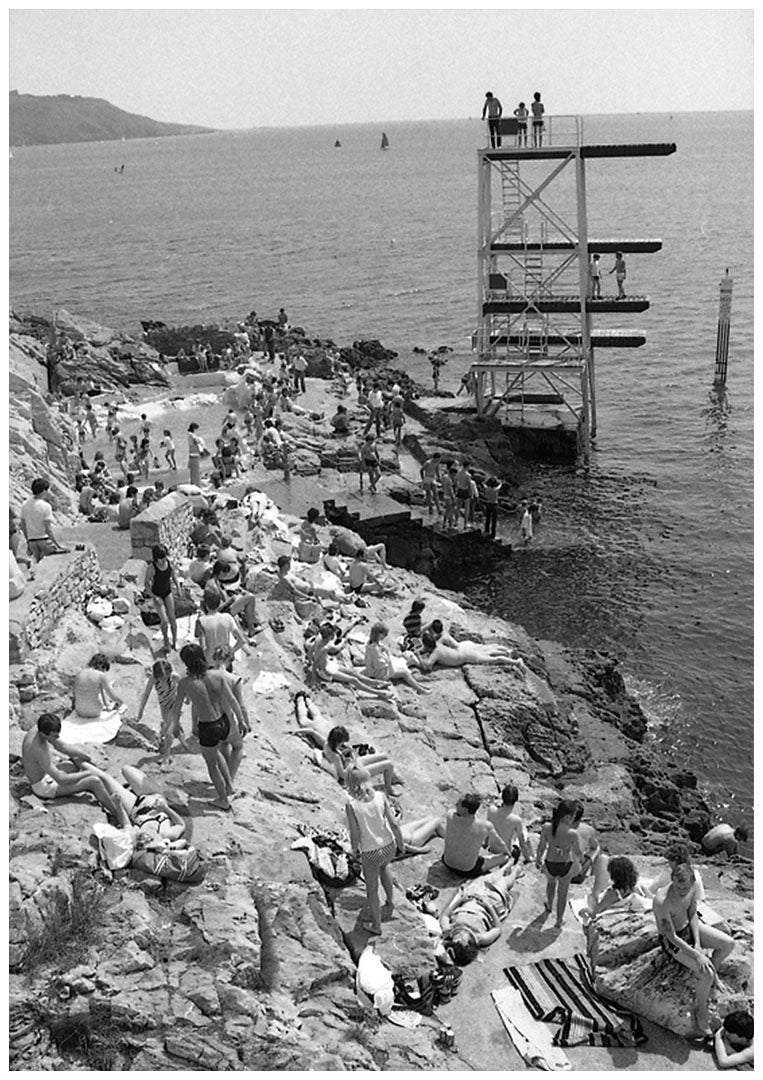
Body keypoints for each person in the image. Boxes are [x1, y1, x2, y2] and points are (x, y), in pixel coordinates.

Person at [653, 858, 734, 1035]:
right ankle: (700, 1008)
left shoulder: (692, 887)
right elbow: (670, 936)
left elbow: (692, 914)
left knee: (728, 943)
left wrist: (697, 942)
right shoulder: (662, 901)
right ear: (672, 880)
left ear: (692, 883)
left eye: (686, 888)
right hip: (673, 940)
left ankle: (714, 973)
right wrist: (697, 955)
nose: (682, 892)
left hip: (689, 928)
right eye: (678, 887)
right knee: (706, 974)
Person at [172, 644, 249, 811]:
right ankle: (229, 786)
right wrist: (241, 721)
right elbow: (233, 701)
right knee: (220, 751)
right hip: (223, 721)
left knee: (211, 764)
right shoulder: (217, 675)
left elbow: (177, 708)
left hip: (207, 726)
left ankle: (222, 800)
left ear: (186, 663)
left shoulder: (185, 683)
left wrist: (175, 725)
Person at [22, 712, 124, 816]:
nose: (57, 737)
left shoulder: (39, 729)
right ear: (43, 734)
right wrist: (87, 773)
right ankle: (117, 813)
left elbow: (61, 746)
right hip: (43, 787)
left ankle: (106, 796)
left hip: (47, 775)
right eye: (54, 735)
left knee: (73, 763)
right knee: (94, 782)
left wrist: (86, 756)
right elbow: (61, 779)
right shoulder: (37, 749)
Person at [344, 764, 405, 935]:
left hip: (370, 852)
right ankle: (391, 901)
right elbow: (394, 823)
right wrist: (400, 843)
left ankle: (377, 926)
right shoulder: (380, 795)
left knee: (371, 888)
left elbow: (355, 834)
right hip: (388, 845)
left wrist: (355, 851)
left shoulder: (352, 806)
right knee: (385, 867)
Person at [439, 862, 524, 965]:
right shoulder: (480, 938)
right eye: (458, 941)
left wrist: (460, 900)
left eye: (454, 940)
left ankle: (505, 868)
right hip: (490, 904)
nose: (457, 937)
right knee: (502, 884)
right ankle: (515, 872)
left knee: (485, 879)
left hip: (471, 897)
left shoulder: (450, 931)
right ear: (467, 945)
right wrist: (488, 906)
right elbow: (498, 929)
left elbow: (444, 915)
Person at [535, 798, 585, 927]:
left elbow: (541, 847)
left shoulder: (546, 827)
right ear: (568, 817)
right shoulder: (572, 834)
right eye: (574, 816)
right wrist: (582, 859)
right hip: (565, 866)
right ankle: (559, 920)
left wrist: (538, 859)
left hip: (550, 862)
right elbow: (577, 852)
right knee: (562, 894)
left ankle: (549, 905)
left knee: (550, 884)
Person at [313, 623, 395, 698]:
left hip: (329, 663)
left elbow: (311, 653)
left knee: (353, 673)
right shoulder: (326, 647)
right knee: (353, 680)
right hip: (326, 671)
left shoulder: (319, 639)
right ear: (329, 636)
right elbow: (315, 663)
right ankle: (380, 693)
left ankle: (377, 683)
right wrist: (314, 680)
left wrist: (309, 661)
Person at [135, 658, 189, 767]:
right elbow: (146, 695)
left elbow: (185, 687)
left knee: (169, 731)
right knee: (170, 726)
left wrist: (187, 698)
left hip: (175, 703)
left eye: (165, 677)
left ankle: (166, 757)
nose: (164, 679)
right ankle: (177, 734)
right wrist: (140, 712)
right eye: (161, 678)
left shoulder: (174, 676)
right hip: (164, 705)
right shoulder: (153, 679)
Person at [442, 793, 510, 878]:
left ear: (465, 810)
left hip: (447, 863)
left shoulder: (450, 815)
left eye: (458, 804)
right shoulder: (485, 826)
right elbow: (499, 843)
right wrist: (508, 852)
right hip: (468, 870)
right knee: (505, 857)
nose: (455, 805)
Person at [364, 622, 430, 693]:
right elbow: (379, 664)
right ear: (379, 634)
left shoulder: (371, 643)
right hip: (379, 673)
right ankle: (420, 689)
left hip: (376, 670)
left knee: (402, 668)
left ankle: (418, 686)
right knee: (404, 672)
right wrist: (388, 658)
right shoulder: (374, 648)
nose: (384, 636)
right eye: (383, 634)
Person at [418, 632, 526, 672]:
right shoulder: (438, 643)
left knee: (493, 659)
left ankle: (517, 662)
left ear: (427, 645)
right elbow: (444, 636)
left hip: (464, 656)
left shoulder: (435, 653)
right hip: (462, 647)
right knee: (487, 648)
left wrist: (418, 655)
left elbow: (427, 667)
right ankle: (507, 651)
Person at [20, 478, 69, 567]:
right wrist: (58, 545)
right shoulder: (46, 506)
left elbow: (23, 526)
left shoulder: (24, 505)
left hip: (32, 541)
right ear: (43, 491)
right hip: (44, 540)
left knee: (39, 564)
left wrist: (28, 542)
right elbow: (48, 529)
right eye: (47, 490)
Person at [584, 855, 652, 918]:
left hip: (601, 897)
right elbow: (651, 900)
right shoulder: (639, 887)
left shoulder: (613, 893)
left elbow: (597, 911)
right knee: (603, 859)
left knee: (602, 859)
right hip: (628, 893)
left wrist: (586, 911)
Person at [196, 587, 248, 669]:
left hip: (211, 662)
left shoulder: (201, 621)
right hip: (225, 660)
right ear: (219, 602)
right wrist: (232, 652)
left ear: (205, 605)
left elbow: (202, 647)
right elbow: (242, 640)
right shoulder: (228, 618)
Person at [487, 784, 534, 863]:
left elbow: (487, 827)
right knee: (525, 833)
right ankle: (532, 856)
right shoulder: (516, 820)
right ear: (515, 800)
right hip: (507, 853)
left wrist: (485, 843)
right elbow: (522, 844)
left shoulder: (491, 809)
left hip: (493, 848)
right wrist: (527, 859)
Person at [145, 544, 179, 651]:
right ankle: (166, 641)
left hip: (167, 592)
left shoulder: (169, 563)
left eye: (165, 557)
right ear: (156, 558)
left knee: (172, 618)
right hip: (157, 594)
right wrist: (154, 597)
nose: (164, 560)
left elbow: (173, 576)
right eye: (161, 558)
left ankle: (174, 641)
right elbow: (146, 584)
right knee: (164, 620)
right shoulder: (152, 568)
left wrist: (178, 588)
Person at [73, 654, 124, 718]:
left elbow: (75, 693)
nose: (103, 671)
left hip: (79, 711)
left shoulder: (79, 673)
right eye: (104, 669)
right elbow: (112, 695)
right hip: (94, 711)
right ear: (101, 665)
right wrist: (121, 703)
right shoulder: (100, 675)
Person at [570, 802, 603, 884]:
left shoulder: (556, 827)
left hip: (555, 872)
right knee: (597, 849)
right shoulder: (587, 829)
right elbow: (594, 847)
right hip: (574, 876)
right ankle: (593, 875)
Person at [187, 422, 204, 487]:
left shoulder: (190, 434)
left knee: (194, 470)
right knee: (195, 469)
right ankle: (196, 483)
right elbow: (195, 441)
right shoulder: (191, 434)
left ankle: (194, 482)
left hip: (192, 452)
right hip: (194, 452)